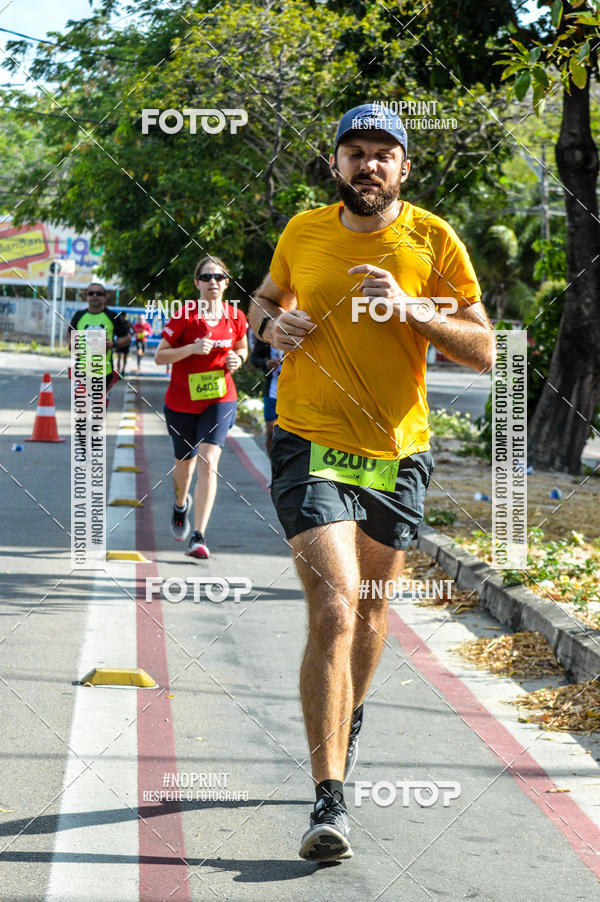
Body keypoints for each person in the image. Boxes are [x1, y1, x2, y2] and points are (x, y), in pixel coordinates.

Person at [249, 103, 494, 862]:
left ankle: (345, 718)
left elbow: (484, 348)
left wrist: (416, 311)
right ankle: (330, 796)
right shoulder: (302, 231)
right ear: (336, 164)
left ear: (404, 168)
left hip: (396, 452)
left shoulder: (432, 238)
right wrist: (269, 327)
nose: (368, 165)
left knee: (374, 607)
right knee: (334, 606)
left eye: (383, 153)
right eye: (354, 152)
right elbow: (265, 298)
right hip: (308, 439)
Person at [155, 256, 248, 558]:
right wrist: (191, 349)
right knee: (186, 466)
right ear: (197, 283)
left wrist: (239, 359)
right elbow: (160, 356)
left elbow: (242, 347)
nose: (213, 282)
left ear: (226, 283)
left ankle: (199, 536)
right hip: (182, 402)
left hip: (220, 398)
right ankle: (180, 506)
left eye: (218, 277)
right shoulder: (184, 316)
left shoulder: (236, 317)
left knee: (209, 460)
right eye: (206, 277)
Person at [68, 282, 131, 403]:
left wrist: (113, 344)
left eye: (99, 293)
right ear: (86, 296)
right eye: (91, 293)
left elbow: (127, 338)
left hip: (104, 374)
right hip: (81, 372)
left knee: (98, 413)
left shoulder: (112, 316)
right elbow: (70, 333)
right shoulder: (79, 315)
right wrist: (72, 344)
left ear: (105, 297)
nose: (95, 296)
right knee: (82, 413)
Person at [250, 336, 283, 457]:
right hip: (272, 391)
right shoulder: (267, 334)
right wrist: (266, 363)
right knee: (271, 432)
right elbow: (254, 358)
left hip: (294, 393)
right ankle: (273, 467)